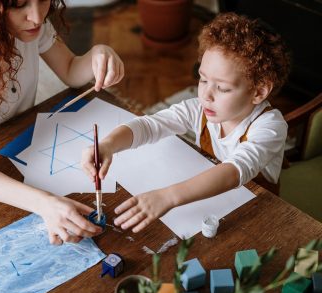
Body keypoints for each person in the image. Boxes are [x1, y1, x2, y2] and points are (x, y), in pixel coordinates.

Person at [0, 0, 124, 244]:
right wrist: (45, 203)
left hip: (14, 141)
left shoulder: (29, 27)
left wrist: (99, 53)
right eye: (19, 5)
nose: (37, 16)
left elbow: (71, 70)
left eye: (42, 0)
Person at [81, 12, 290, 233]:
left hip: (258, 210)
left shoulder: (270, 126)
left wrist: (167, 196)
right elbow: (150, 125)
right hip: (212, 202)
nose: (206, 95)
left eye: (222, 88)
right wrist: (108, 145)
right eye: (203, 79)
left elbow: (234, 170)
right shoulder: (200, 109)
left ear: (258, 91)